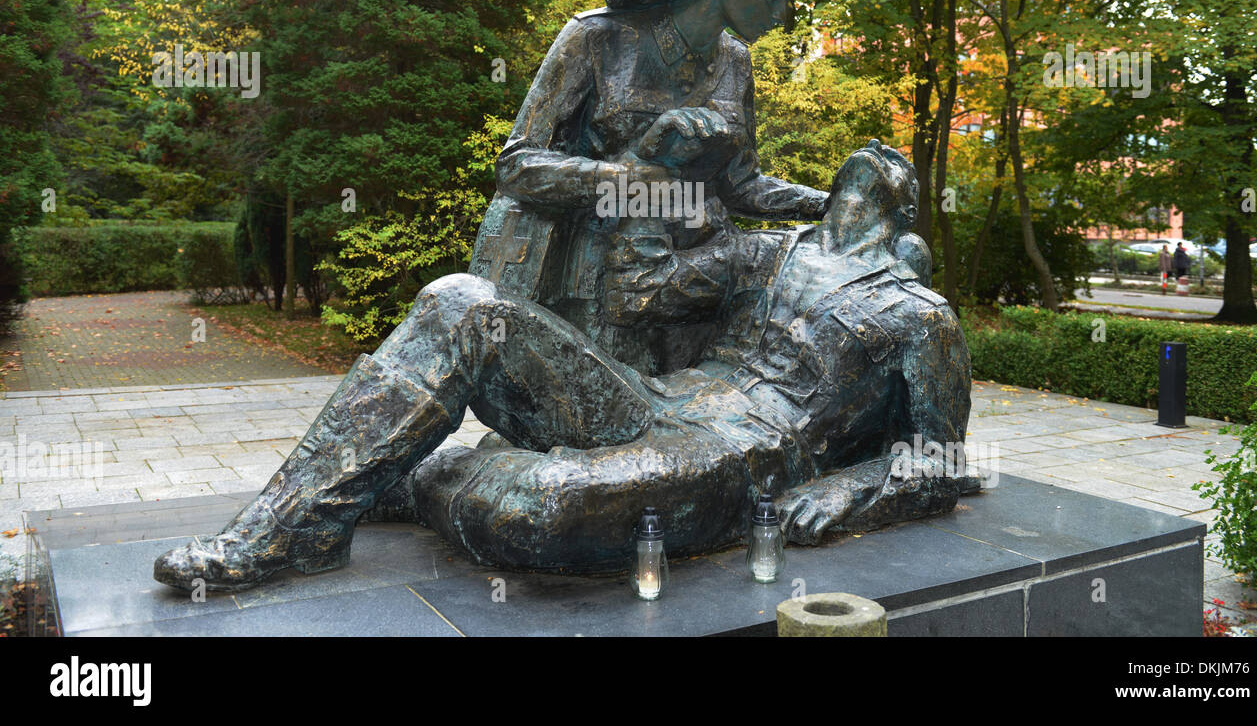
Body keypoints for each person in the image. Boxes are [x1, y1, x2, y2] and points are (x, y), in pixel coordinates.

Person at [153, 142, 971, 590]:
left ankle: (420, 479)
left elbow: (940, 460)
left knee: (547, 505)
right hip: (649, 400)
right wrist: (650, 172)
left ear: (903, 210)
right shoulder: (767, 251)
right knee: (459, 301)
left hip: (741, 457)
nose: (875, 158)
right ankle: (295, 528)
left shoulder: (919, 314)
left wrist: (849, 490)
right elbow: (642, 290)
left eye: (888, 168)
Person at [470, 0, 830, 376]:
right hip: (591, 290)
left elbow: (742, 186)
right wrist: (625, 176)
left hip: (694, 289)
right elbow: (516, 167)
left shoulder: (736, 63)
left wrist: (830, 202)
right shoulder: (597, 38)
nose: (783, 13)